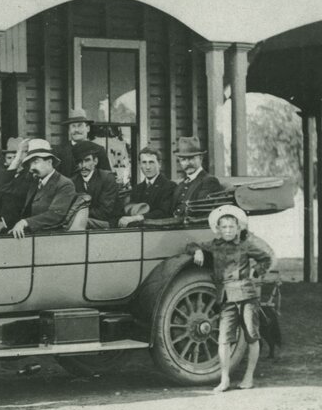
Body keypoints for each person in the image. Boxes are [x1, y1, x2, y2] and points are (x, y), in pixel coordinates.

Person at [186, 204, 276, 393]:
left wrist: (256, 271)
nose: (227, 230)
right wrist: (197, 251)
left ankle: (249, 377)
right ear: (218, 229)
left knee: (252, 336)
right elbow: (191, 244)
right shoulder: (214, 246)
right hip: (226, 298)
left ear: (238, 228)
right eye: (224, 227)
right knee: (223, 339)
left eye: (231, 227)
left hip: (246, 297)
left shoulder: (245, 245)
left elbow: (266, 258)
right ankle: (224, 379)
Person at [0, 138, 76, 238]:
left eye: (36, 162)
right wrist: (18, 158)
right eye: (30, 163)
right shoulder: (33, 181)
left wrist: (24, 222)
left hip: (50, 238)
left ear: (49, 162)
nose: (32, 168)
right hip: (30, 236)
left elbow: (55, 215)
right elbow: (4, 187)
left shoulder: (64, 184)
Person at [118, 146, 177, 227]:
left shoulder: (169, 186)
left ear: (159, 164)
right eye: (144, 162)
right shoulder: (137, 189)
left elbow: (164, 212)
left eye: (151, 162)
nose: (148, 167)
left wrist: (138, 218)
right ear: (140, 165)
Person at [71, 140, 124, 229]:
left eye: (87, 160)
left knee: (80, 222)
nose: (83, 166)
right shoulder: (73, 181)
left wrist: (78, 213)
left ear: (95, 161)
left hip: (109, 223)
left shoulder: (107, 178)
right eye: (79, 162)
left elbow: (104, 212)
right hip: (84, 220)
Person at [171, 136, 223, 217]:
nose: (188, 163)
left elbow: (199, 210)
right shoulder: (181, 185)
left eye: (191, 158)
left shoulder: (209, 181)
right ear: (180, 162)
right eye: (183, 160)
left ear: (200, 158)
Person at [54, 108, 111, 179]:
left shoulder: (98, 150)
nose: (76, 130)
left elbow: (107, 179)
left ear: (88, 128)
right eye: (73, 126)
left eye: (80, 125)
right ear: (69, 130)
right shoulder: (59, 151)